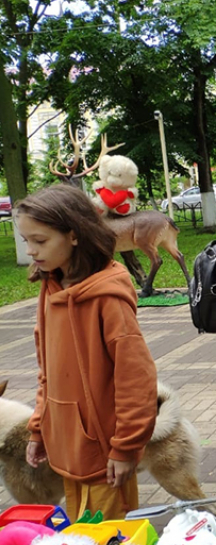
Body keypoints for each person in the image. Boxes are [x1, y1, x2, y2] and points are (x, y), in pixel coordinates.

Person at [18, 185, 157, 521]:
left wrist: (125, 447)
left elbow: (136, 377)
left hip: (105, 456)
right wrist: (40, 429)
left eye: (40, 240)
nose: (31, 251)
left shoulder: (106, 297)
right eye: (27, 241)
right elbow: (46, 370)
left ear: (74, 235)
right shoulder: (51, 285)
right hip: (68, 448)